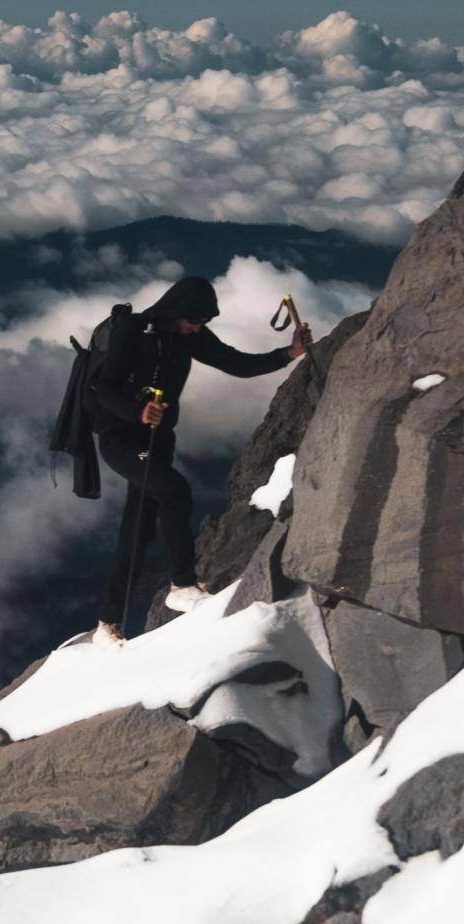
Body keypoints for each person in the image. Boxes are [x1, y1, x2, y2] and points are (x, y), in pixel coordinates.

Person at [89, 276, 314, 647]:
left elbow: (236, 363)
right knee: (174, 490)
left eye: (202, 322)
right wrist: (138, 411)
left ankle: (107, 624)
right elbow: (105, 387)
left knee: (138, 530)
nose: (197, 328)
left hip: (158, 439)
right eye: (194, 320)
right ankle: (182, 585)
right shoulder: (132, 330)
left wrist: (287, 354)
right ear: (175, 310)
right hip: (122, 439)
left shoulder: (188, 336)